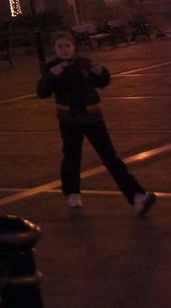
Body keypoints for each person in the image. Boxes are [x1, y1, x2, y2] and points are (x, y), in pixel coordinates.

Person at [36, 30, 156, 214]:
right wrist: (52, 75)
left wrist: (101, 72)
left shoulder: (84, 63)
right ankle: (72, 193)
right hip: (69, 120)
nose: (64, 49)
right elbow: (42, 92)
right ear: (54, 49)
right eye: (60, 46)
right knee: (71, 157)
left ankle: (136, 196)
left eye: (67, 45)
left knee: (110, 157)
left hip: (93, 118)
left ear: (73, 47)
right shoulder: (51, 67)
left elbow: (102, 82)